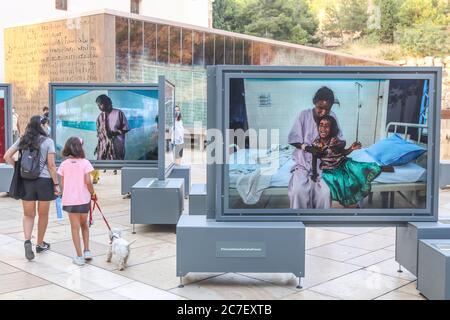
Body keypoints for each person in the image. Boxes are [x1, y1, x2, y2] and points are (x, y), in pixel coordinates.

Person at [3, 115, 59, 260]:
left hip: (26, 180)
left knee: (28, 214)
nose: (47, 127)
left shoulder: (23, 139)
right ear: (41, 126)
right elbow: (52, 166)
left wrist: (18, 167)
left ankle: (27, 241)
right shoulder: (48, 141)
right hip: (44, 182)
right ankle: (40, 244)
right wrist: (57, 185)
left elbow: (7, 156)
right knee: (43, 214)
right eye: (45, 125)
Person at [305, 115, 383, 208]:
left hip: (342, 163)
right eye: (321, 125)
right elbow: (314, 158)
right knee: (338, 180)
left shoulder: (334, 140)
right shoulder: (316, 143)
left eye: (327, 126)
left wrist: (351, 148)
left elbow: (343, 153)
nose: (323, 128)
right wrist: (314, 173)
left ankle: (354, 203)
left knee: (361, 169)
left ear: (332, 128)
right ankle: (350, 203)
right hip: (328, 168)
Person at [287, 86, 343, 209]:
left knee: (325, 192)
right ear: (314, 102)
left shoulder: (332, 117)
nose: (323, 112)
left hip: (324, 165)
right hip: (303, 163)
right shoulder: (304, 115)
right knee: (298, 191)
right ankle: (300, 221)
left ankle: (320, 223)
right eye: (320, 108)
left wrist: (334, 145)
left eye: (326, 110)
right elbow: (293, 139)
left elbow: (340, 140)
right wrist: (307, 148)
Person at [58, 137, 96, 266]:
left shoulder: (64, 164)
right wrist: (93, 193)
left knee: (75, 228)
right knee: (84, 225)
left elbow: (62, 184)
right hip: (84, 200)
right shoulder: (85, 163)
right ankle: (87, 251)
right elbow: (88, 182)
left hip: (69, 201)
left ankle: (79, 257)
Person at [94, 94, 130, 160]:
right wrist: (98, 146)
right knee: (103, 167)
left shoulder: (118, 113)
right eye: (98, 105)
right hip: (103, 148)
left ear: (107, 103)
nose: (99, 107)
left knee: (116, 167)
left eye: (100, 104)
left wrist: (114, 133)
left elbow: (126, 129)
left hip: (116, 146)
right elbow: (100, 135)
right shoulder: (100, 117)